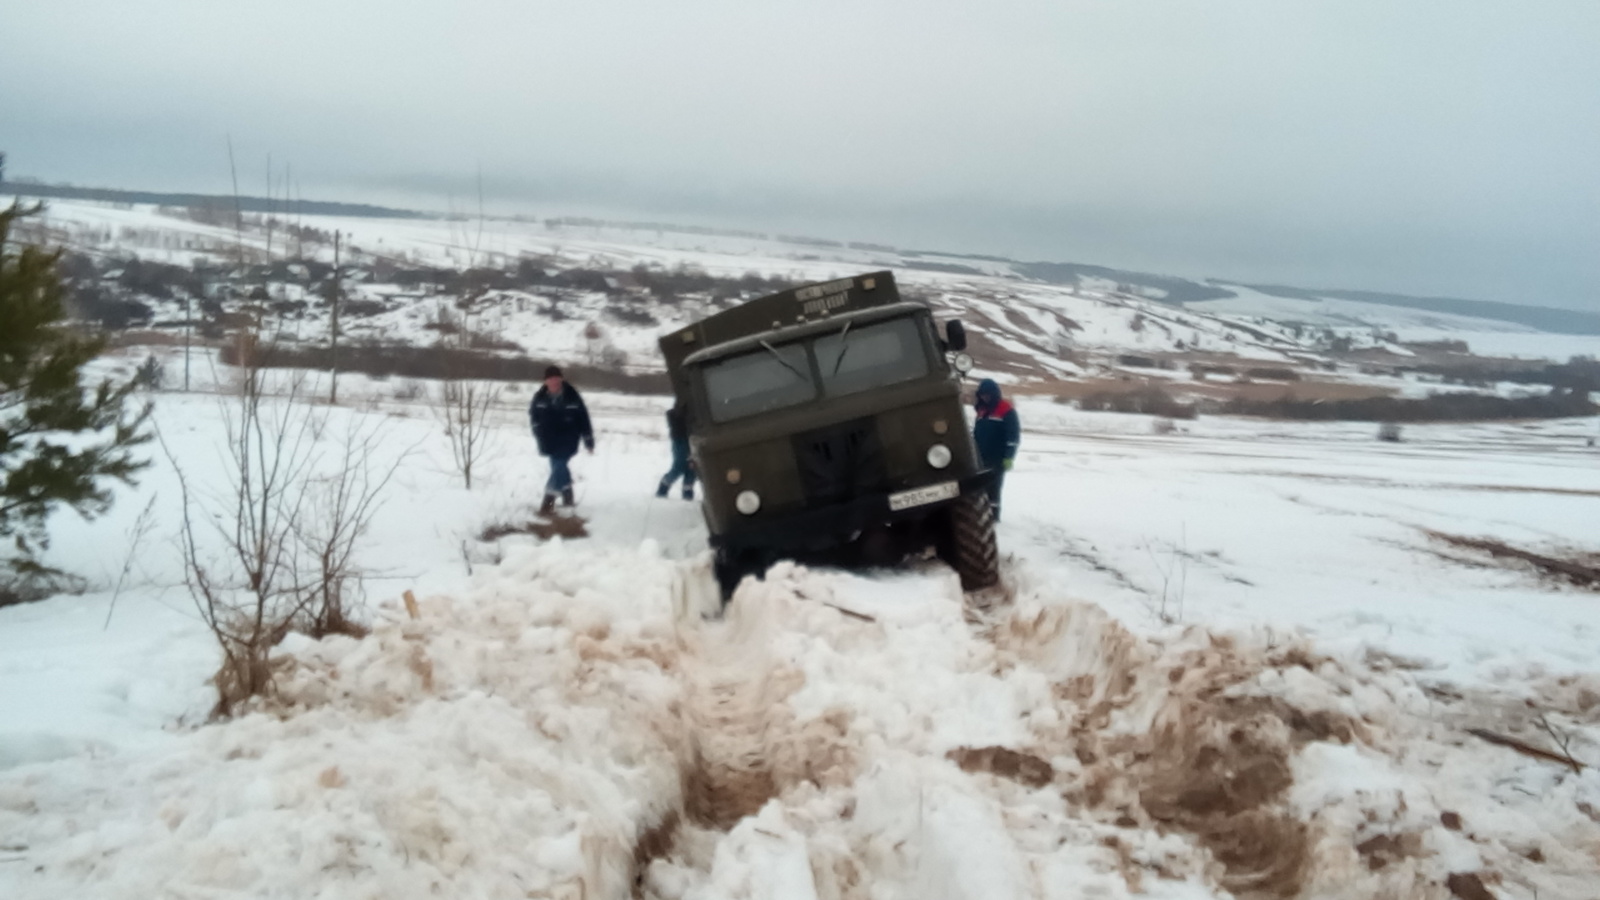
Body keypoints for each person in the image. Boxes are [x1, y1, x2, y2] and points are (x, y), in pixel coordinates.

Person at [529, 365, 594, 515]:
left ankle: (548, 502)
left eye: (557, 378)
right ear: (546, 382)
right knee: (558, 468)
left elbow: (584, 419)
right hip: (548, 441)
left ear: (561, 379)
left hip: (568, 439)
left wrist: (588, 441)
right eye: (551, 379)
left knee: (558, 466)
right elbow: (533, 417)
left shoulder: (572, 396)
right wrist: (537, 430)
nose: (554, 382)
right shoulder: (539, 398)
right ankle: (568, 496)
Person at [972, 378, 1020, 521]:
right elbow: (976, 433)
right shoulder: (981, 411)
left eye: (987, 394)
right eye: (982, 394)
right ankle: (981, 515)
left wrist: (1009, 457)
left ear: (994, 394)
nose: (984, 397)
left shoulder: (1006, 410)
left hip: (998, 458)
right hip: (981, 456)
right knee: (981, 488)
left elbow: (1013, 436)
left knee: (994, 488)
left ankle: (993, 517)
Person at [656, 400, 697, 500]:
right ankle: (664, 486)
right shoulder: (674, 415)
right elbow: (677, 423)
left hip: (691, 438)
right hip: (680, 440)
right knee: (679, 465)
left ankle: (687, 492)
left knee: (691, 467)